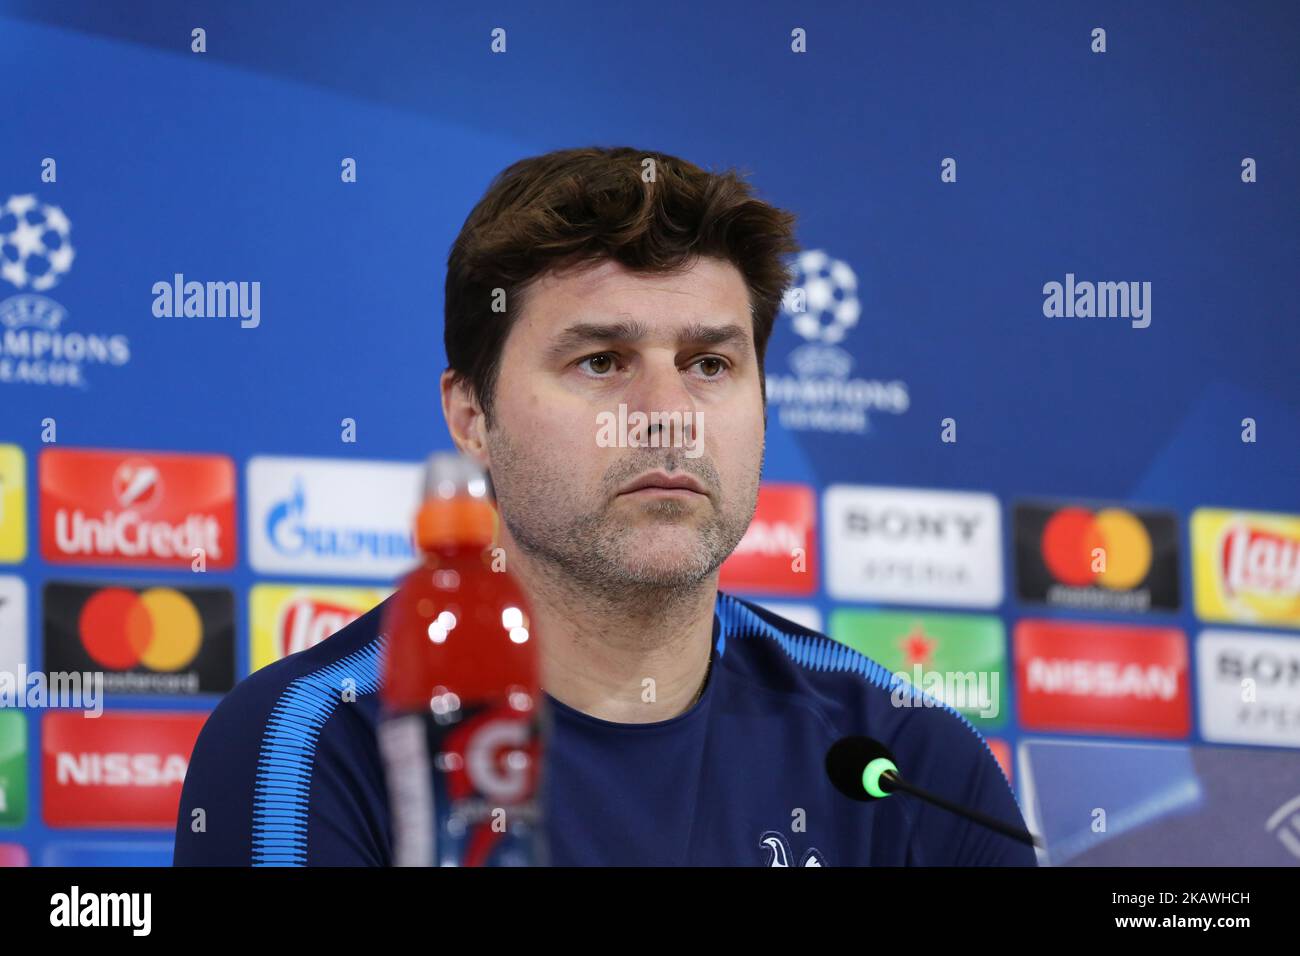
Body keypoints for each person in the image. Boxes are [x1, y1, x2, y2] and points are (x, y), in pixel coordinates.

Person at [174, 146, 1036, 866]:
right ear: (473, 415)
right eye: (601, 361)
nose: (666, 416)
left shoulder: (907, 757)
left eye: (709, 365)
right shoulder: (311, 747)